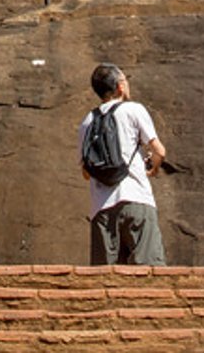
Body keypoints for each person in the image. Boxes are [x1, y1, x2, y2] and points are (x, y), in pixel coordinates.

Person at [78, 63, 167, 265]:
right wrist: (153, 168)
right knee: (149, 271)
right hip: (136, 198)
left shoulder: (87, 122)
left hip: (101, 207)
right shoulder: (133, 110)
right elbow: (159, 151)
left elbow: (85, 172)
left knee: (104, 278)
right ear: (120, 86)